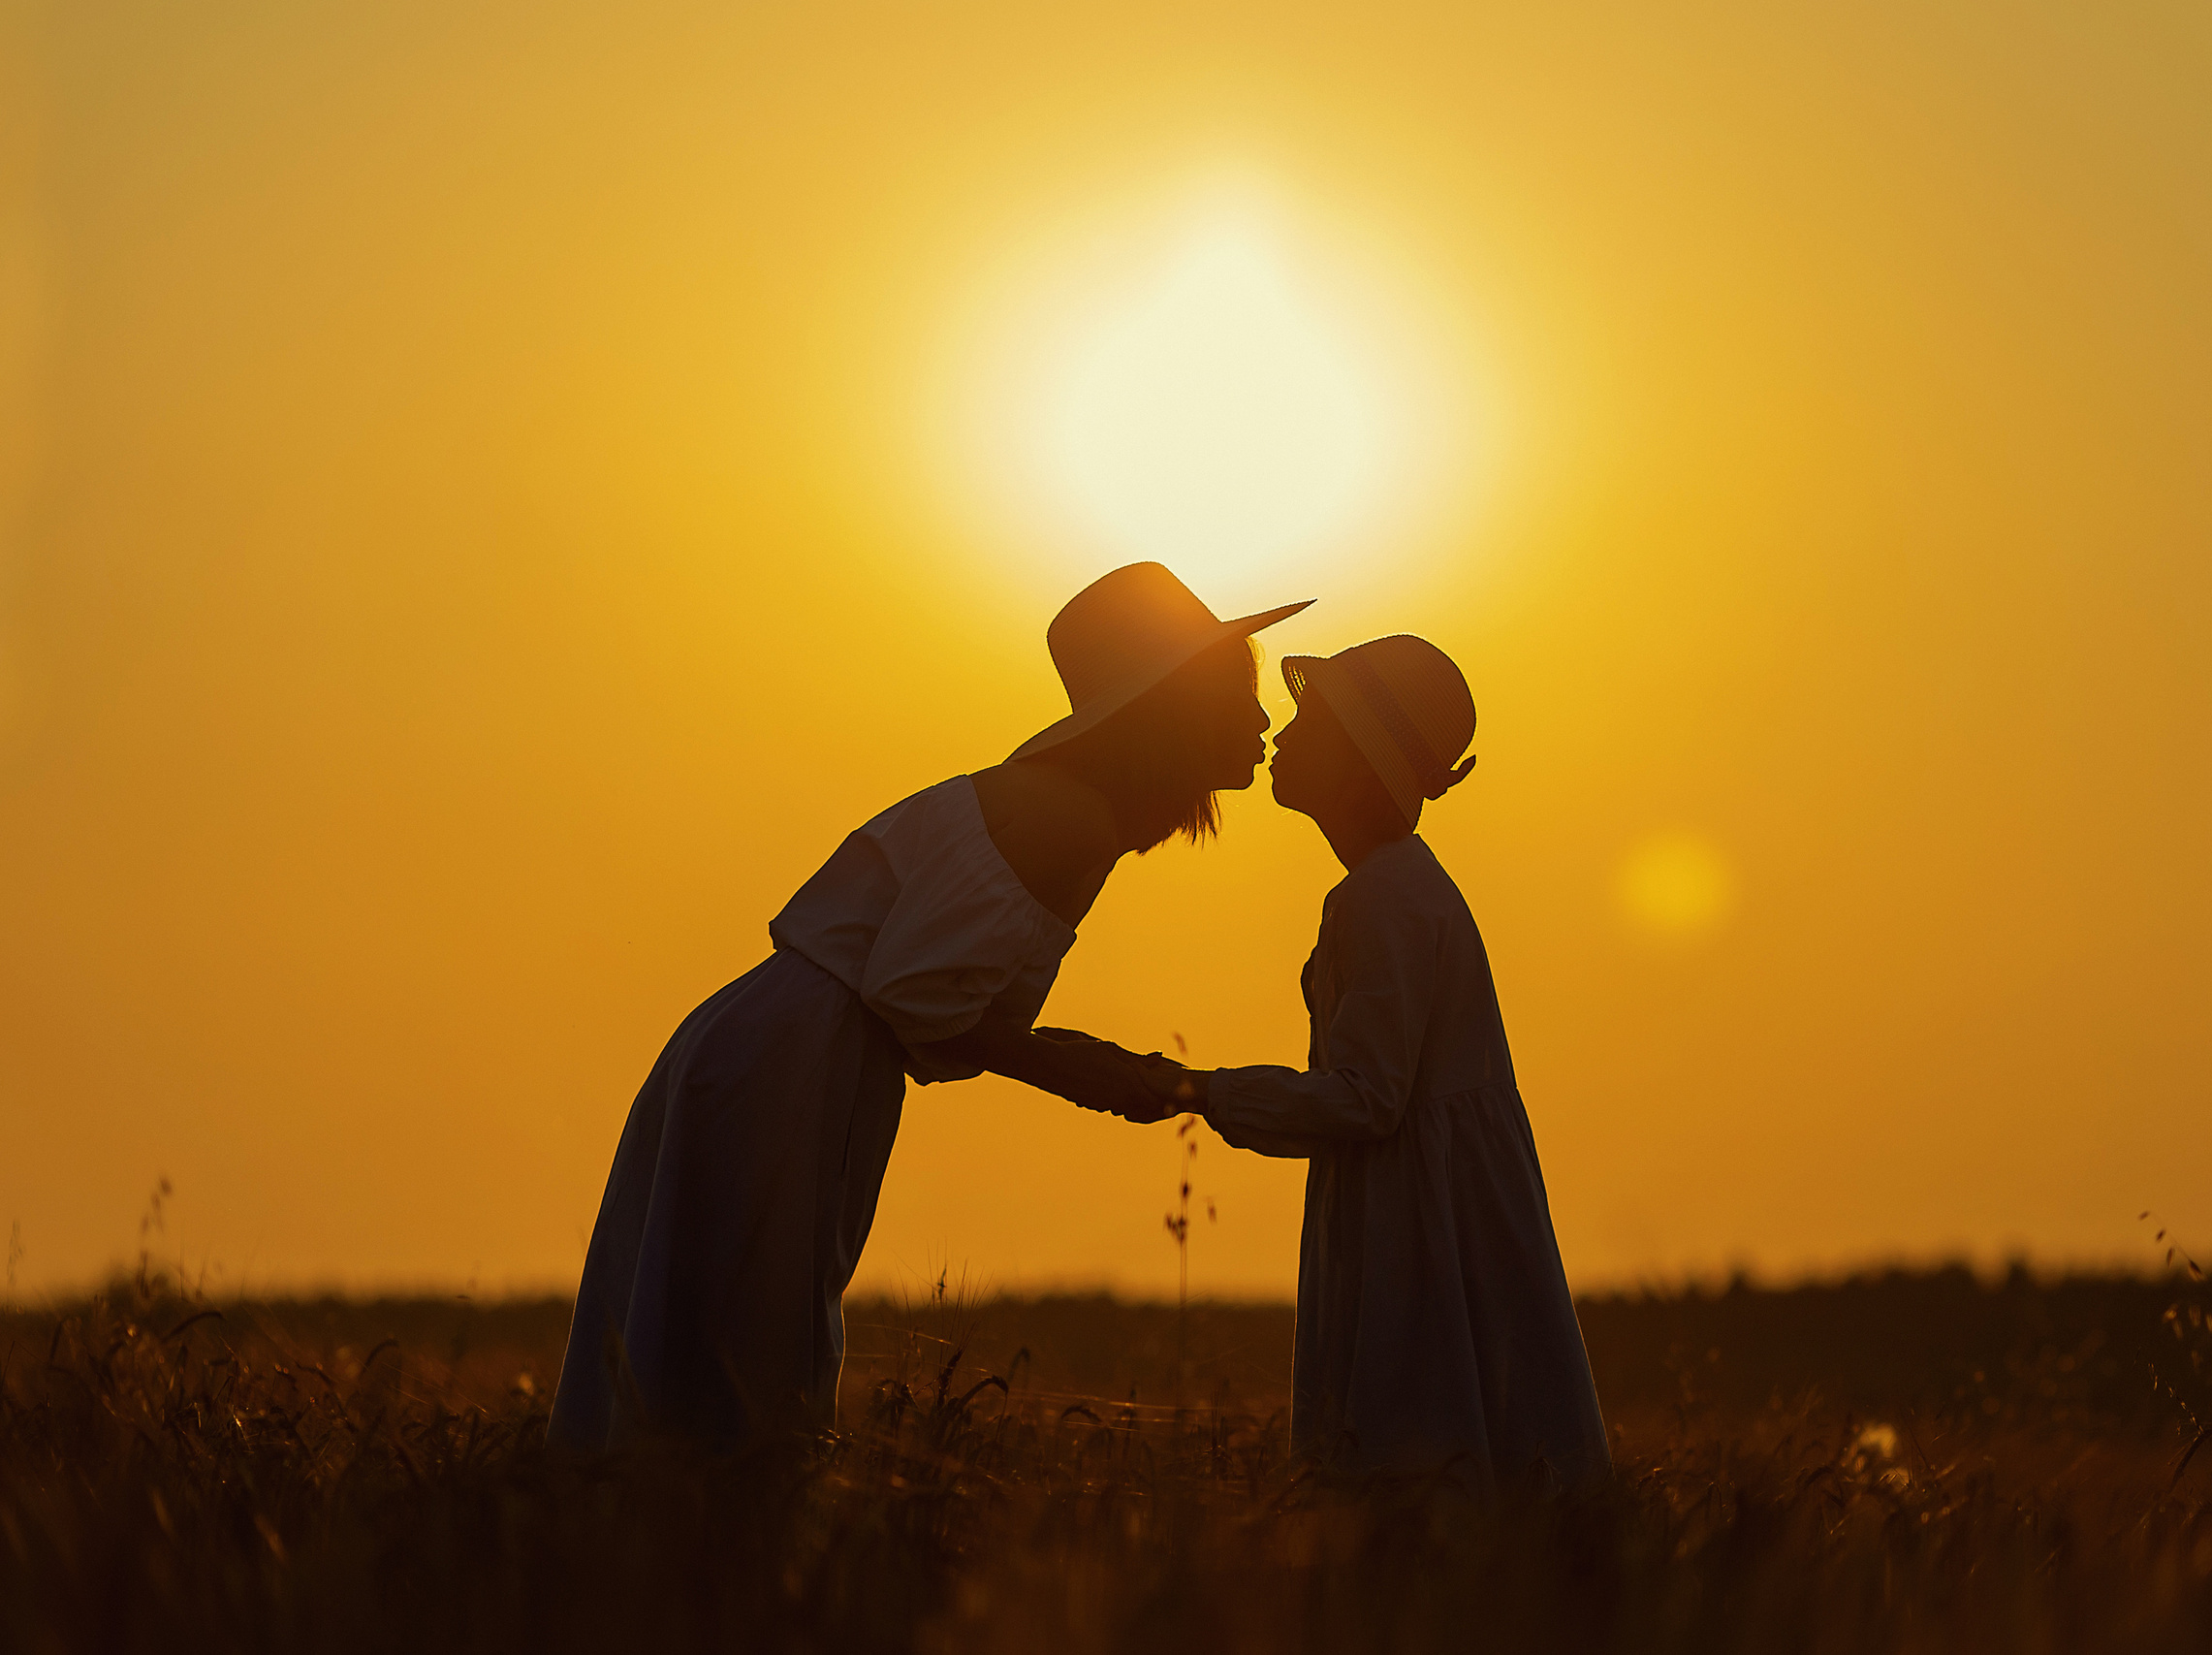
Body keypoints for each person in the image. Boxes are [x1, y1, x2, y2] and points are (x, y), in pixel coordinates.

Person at [549, 562, 1311, 1450]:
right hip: (800, 1054)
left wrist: (1095, 1068)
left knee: (718, 1331)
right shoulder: (1074, 823)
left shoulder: (1065, 809)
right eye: (1239, 693)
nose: (1262, 720)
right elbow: (914, 996)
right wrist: (1092, 1072)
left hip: (786, 1039)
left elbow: (930, 994)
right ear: (1177, 712)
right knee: (750, 1348)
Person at [1139, 635, 1610, 1498]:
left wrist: (1191, 1090)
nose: (1281, 732)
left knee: (1421, 1471)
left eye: (1311, 721)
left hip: (1420, 1228)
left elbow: (1366, 1100)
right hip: (1440, 1208)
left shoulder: (1379, 900)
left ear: (1361, 762)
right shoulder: (1401, 887)